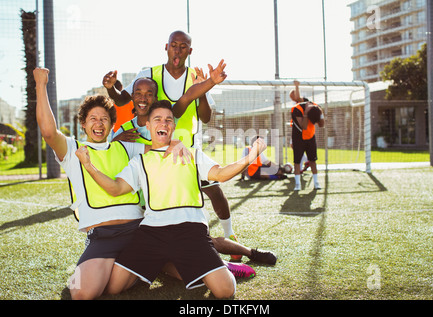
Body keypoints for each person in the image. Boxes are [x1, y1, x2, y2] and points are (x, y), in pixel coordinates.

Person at [33, 64, 220, 300]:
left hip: (139, 231)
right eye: (93, 119)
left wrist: (178, 144)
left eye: (104, 119)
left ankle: (164, 262)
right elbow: (49, 132)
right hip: (103, 235)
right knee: (82, 293)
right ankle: (144, 266)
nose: (99, 124)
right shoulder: (73, 151)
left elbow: (160, 144)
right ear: (83, 124)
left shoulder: (126, 145)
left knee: (196, 271)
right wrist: (41, 84)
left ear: (112, 124)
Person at [75, 101, 269, 298]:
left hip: (191, 231)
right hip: (152, 233)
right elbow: (116, 188)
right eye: (157, 119)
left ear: (174, 126)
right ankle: (164, 265)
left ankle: (217, 267)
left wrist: (249, 157)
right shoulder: (139, 161)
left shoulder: (191, 153)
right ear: (148, 126)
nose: (164, 124)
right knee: (115, 287)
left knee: (225, 291)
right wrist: (89, 166)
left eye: (168, 120)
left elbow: (220, 174)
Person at [111, 76, 277, 270]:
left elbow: (189, 97)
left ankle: (249, 252)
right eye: (138, 93)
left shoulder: (170, 127)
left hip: (177, 186)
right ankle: (225, 266)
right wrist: (115, 143)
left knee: (202, 238)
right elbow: (116, 160)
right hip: (146, 201)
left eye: (149, 94)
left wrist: (208, 83)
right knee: (166, 261)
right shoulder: (124, 131)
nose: (163, 124)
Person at [103, 30, 241, 261]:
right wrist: (110, 88)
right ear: (166, 47)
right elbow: (123, 99)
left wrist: (206, 88)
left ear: (190, 50)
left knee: (213, 191)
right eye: (173, 45)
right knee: (154, 197)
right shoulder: (148, 74)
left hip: (186, 148)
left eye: (183, 46)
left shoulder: (193, 79)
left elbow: (201, 113)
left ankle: (229, 235)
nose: (177, 50)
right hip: (156, 147)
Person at [290, 81, 325, 190]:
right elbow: (304, 126)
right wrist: (306, 114)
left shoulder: (316, 107)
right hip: (298, 137)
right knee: (297, 161)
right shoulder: (297, 109)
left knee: (313, 160)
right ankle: (297, 184)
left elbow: (321, 125)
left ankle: (316, 182)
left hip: (310, 137)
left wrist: (321, 115)